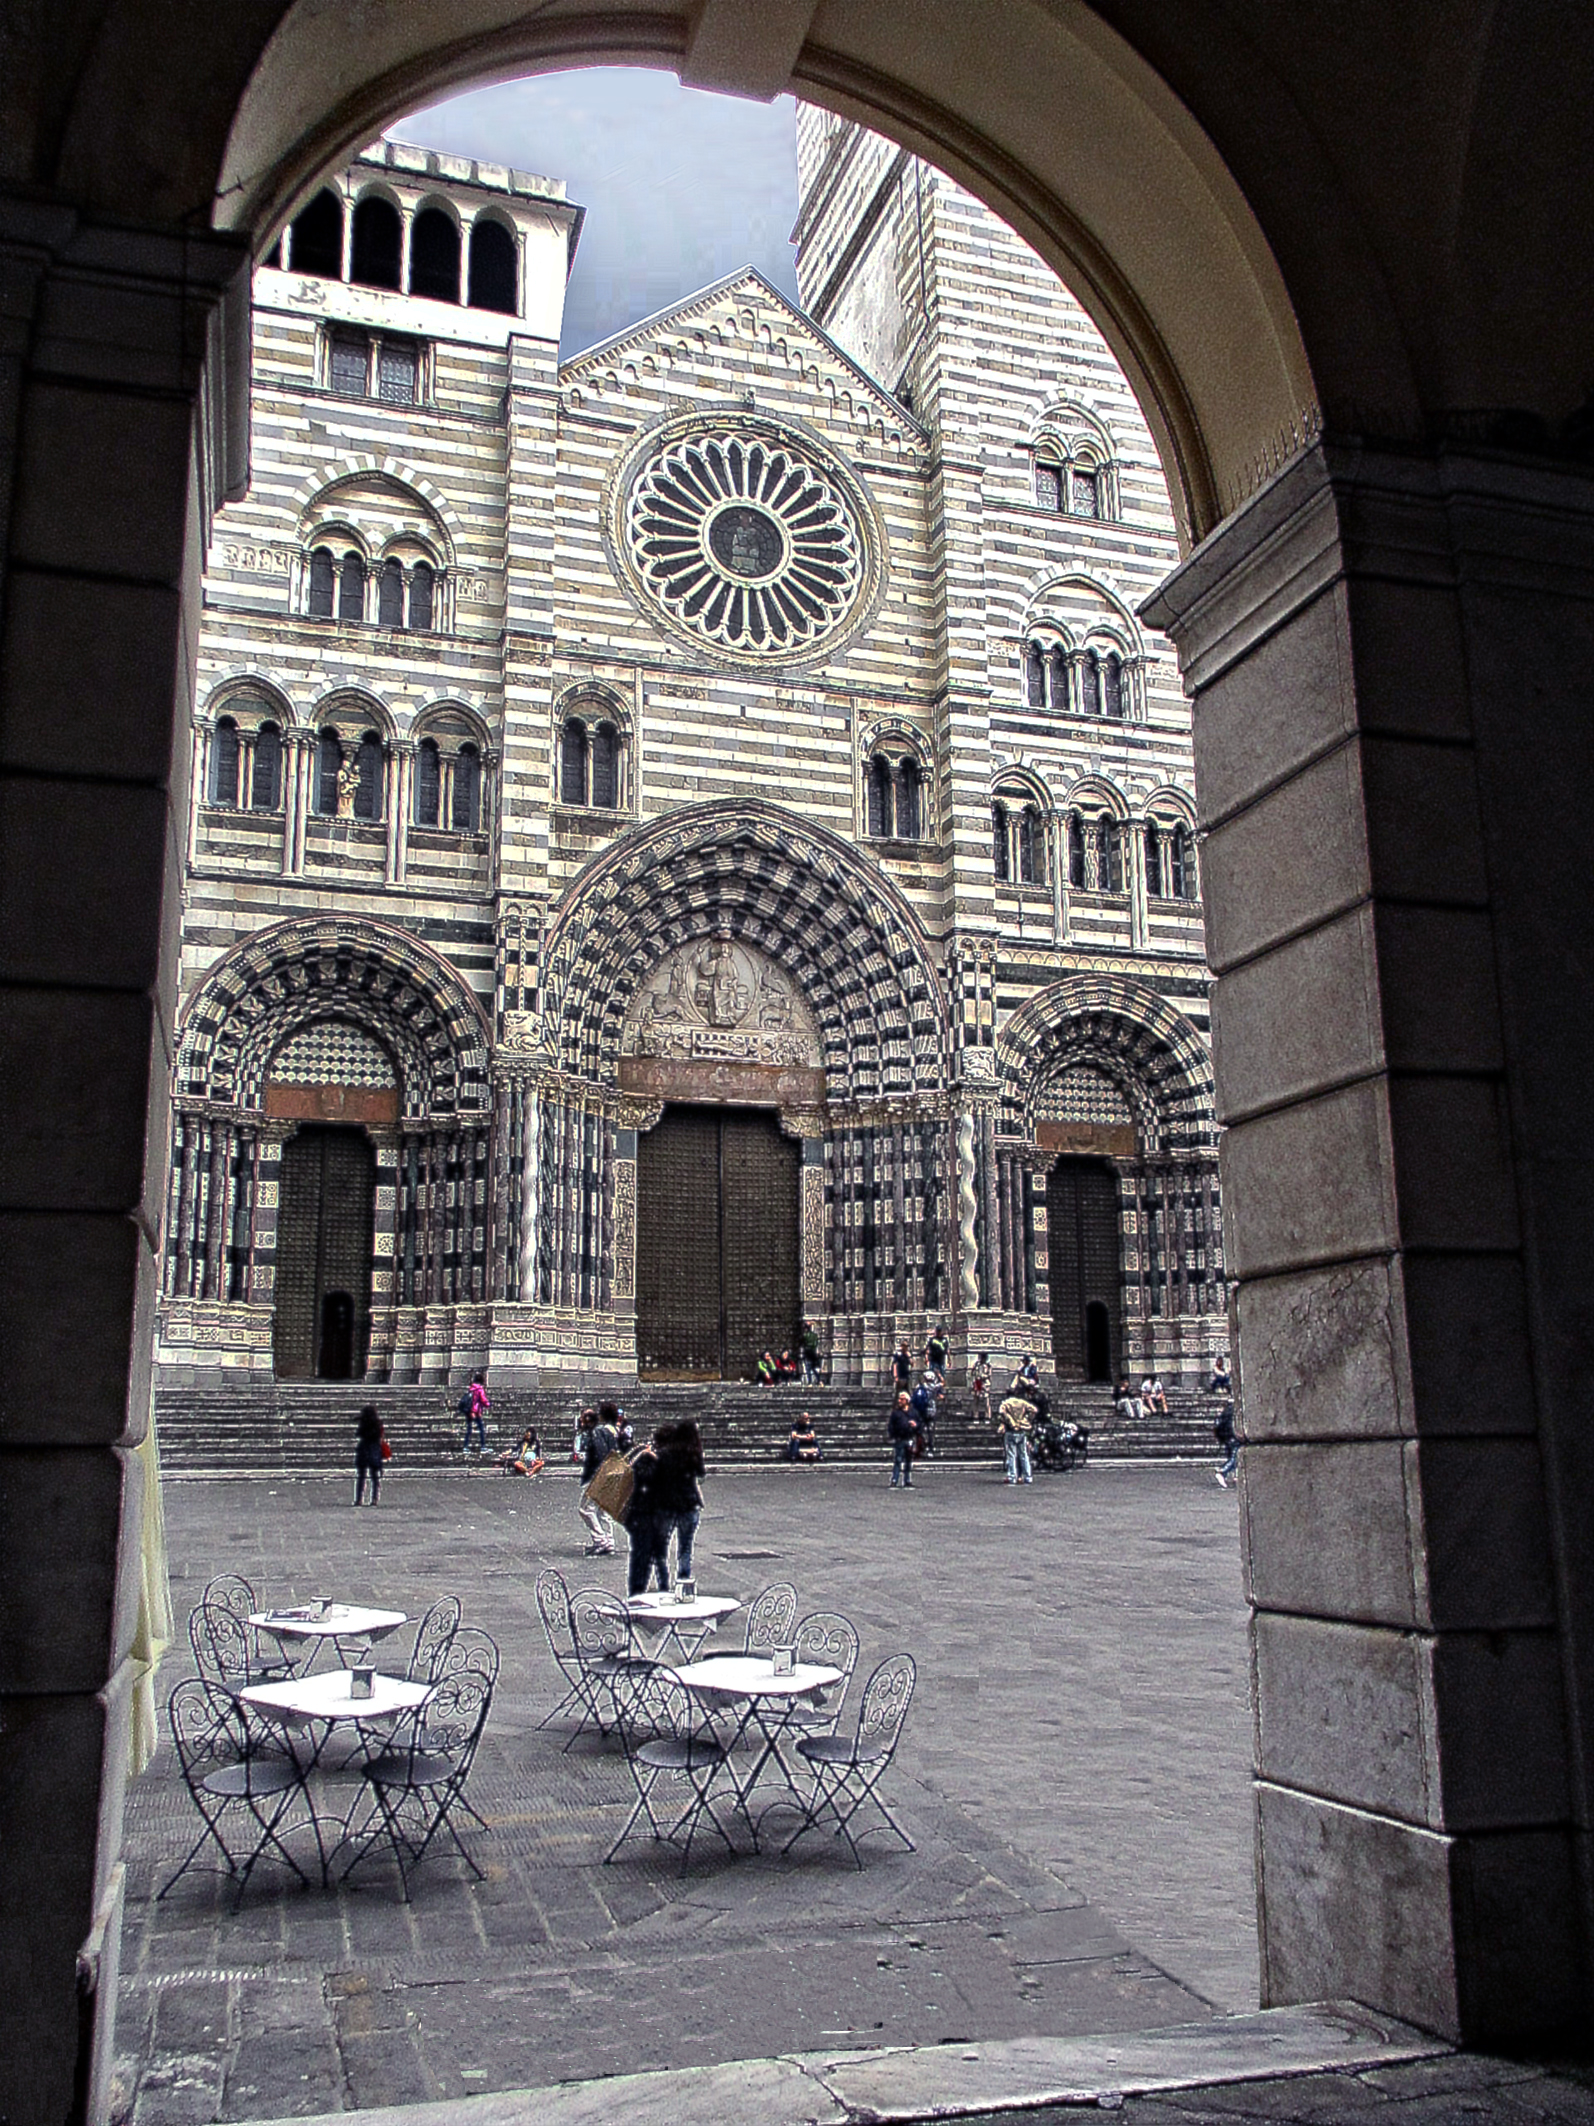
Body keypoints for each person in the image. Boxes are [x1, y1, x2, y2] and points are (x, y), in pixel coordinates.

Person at [625, 1419, 705, 1595]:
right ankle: (683, 1586)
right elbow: (700, 1474)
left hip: (668, 1506)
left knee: (661, 1549)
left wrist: (649, 1455)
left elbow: (655, 1475)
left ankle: (664, 1585)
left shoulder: (665, 1455)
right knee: (685, 1549)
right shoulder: (692, 1454)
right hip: (690, 1505)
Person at [574, 1404, 619, 1555]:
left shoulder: (596, 1433)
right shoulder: (608, 1431)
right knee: (602, 1510)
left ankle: (600, 1540)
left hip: (600, 1475)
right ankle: (609, 1540)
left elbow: (601, 1454)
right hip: (610, 1473)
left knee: (585, 1508)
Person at [996, 1389, 1035, 1484]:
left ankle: (1012, 1476)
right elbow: (1034, 1410)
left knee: (1011, 1455)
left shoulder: (1006, 1403)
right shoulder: (1022, 1402)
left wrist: (1008, 1420)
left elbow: (1001, 1411)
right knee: (1024, 1455)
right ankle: (1028, 1476)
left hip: (1011, 1430)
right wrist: (1026, 1420)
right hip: (1021, 1430)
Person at [354, 1403, 385, 1506]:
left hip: (364, 1450)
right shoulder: (377, 1424)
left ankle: (359, 1499)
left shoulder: (363, 1423)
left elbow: (358, 1434)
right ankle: (374, 1498)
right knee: (374, 1477)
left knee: (361, 1477)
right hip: (374, 1450)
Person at [887, 1391, 918, 1487]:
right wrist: (894, 1435)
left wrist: (915, 1426)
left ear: (907, 1400)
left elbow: (919, 1423)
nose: (899, 1401)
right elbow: (891, 1426)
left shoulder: (913, 1412)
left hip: (909, 1438)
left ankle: (907, 1480)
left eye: (902, 1399)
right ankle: (894, 1479)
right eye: (899, 1399)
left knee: (908, 1461)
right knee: (898, 1460)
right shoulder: (896, 1413)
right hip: (900, 1439)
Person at [461, 1370, 490, 1455]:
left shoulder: (471, 1388)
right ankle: (483, 1446)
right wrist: (488, 1404)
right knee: (481, 1429)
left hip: (469, 1411)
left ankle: (466, 1446)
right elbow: (483, 1400)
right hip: (476, 1412)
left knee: (469, 1429)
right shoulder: (479, 1389)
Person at [910, 1372, 937, 1458]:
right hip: (931, 1412)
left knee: (920, 1430)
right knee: (930, 1431)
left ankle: (920, 1447)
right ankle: (930, 1448)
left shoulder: (920, 1387)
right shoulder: (934, 1387)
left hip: (921, 1411)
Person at [1214, 1400, 1239, 1487]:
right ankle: (1223, 1471)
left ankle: (1236, 1474)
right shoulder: (1233, 1412)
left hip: (1227, 1436)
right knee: (1236, 1455)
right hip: (1233, 1435)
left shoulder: (1227, 1411)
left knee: (1234, 1454)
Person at [971, 1352, 991, 1425]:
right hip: (977, 1384)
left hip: (985, 1384)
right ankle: (976, 1416)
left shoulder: (988, 1366)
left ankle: (987, 1416)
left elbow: (989, 1374)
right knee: (976, 1401)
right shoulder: (976, 1365)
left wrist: (982, 1377)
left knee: (986, 1401)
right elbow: (972, 1373)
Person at [800, 1318, 822, 1384]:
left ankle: (810, 1382)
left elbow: (802, 1343)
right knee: (813, 1368)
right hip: (813, 1353)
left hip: (807, 1353)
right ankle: (819, 1380)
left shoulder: (805, 1336)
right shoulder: (815, 1336)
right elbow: (816, 1344)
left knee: (808, 1368)